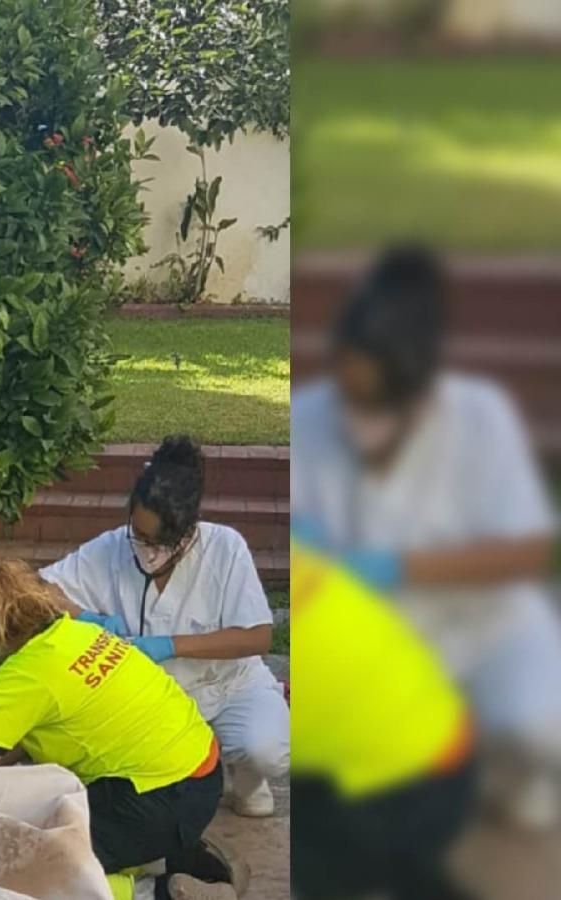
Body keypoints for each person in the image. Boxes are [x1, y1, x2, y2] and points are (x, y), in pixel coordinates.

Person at [290, 247, 560, 825]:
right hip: (373, 647)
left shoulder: (480, 416)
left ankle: (509, 768)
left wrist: (396, 568)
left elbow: (527, 551)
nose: (353, 413)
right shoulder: (308, 417)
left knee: (542, 729)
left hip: (482, 628)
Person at [0, 558, 241, 900]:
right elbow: (24, 739)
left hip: (156, 804)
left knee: (19, 862)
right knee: (55, 812)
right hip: (203, 778)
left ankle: (156, 891)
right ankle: (179, 860)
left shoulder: (26, 674)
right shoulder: (85, 634)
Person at [38, 436, 287, 818]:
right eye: (139, 536)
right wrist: (85, 617)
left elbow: (257, 637)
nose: (146, 550)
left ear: (188, 531)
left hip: (224, 687)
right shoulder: (113, 547)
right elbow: (40, 589)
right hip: (149, 698)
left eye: (160, 542)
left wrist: (170, 645)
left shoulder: (225, 548)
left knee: (266, 749)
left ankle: (247, 782)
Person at [290, 539, 476, 900]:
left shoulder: (310, 649)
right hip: (445, 740)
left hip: (416, 788)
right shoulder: (307, 564)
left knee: (309, 855)